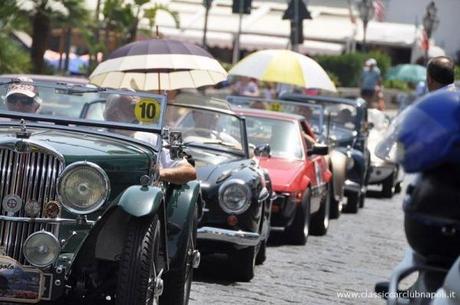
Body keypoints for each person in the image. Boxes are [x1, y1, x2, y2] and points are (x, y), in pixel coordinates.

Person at [103, 94, 196, 184]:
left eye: (138, 107)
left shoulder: (155, 139)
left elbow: (189, 171)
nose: (136, 114)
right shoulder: (95, 138)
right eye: (132, 108)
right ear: (113, 113)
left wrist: (158, 173)